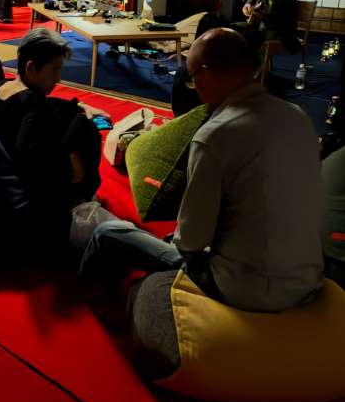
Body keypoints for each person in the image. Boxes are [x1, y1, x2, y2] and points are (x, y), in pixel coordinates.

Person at [81, 28, 324, 313]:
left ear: (205, 73)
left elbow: (191, 241)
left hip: (242, 288)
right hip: (306, 280)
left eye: (192, 79)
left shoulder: (215, 135)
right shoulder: (299, 117)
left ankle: (87, 302)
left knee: (108, 233)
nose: (193, 87)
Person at [0, 28, 105, 256]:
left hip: (3, 174)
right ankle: (80, 195)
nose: (59, 78)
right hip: (36, 197)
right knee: (83, 126)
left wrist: (77, 106)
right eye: (55, 70)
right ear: (31, 68)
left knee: (72, 113)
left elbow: (40, 107)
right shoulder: (33, 104)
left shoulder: (3, 88)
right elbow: (27, 158)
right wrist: (74, 169)